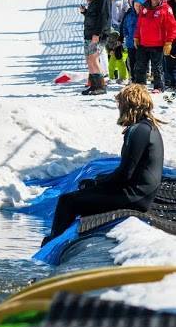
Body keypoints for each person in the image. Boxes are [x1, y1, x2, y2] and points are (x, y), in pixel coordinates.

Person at [43, 84, 164, 242]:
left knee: (67, 201)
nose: (119, 108)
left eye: (120, 104)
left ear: (128, 105)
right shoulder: (148, 127)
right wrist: (99, 182)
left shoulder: (137, 131)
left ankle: (52, 244)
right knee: (87, 193)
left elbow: (125, 174)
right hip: (141, 194)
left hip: (134, 197)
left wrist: (96, 183)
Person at [133, 0, 176, 92]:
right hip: (143, 42)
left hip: (157, 44)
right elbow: (139, 24)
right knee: (140, 66)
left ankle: (158, 87)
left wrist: (169, 42)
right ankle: (140, 85)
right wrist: (136, 37)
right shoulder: (144, 7)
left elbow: (172, 26)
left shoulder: (166, 9)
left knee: (157, 67)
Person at [80, 0, 111, 95]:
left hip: (98, 34)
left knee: (94, 58)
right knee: (89, 59)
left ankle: (101, 86)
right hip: (89, 33)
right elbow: (94, 16)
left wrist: (97, 33)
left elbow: (104, 17)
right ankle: (93, 85)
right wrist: (85, 12)